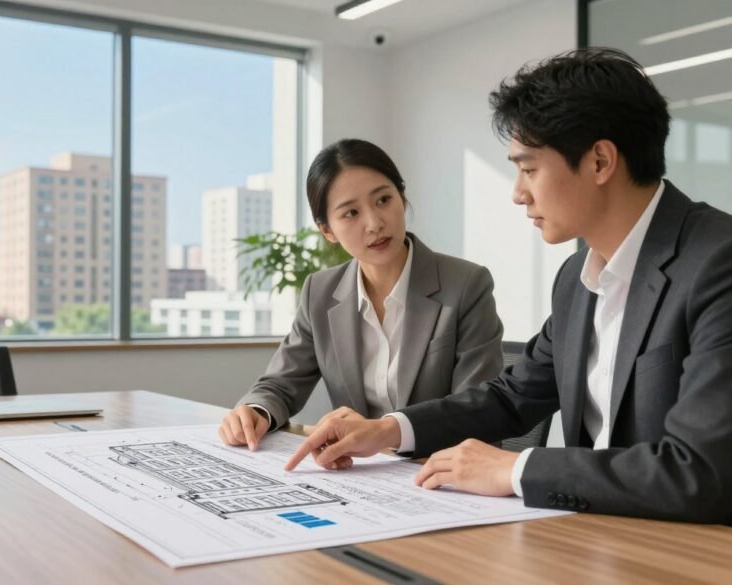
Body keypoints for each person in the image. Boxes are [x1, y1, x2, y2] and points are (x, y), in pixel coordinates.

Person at [285, 48, 732, 524]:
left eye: (529, 168)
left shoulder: (716, 263)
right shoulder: (577, 279)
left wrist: (517, 469)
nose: (518, 193)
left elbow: (700, 473)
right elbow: (510, 397)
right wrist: (389, 429)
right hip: (596, 535)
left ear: (600, 161)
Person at [219, 139, 504, 451]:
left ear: (402, 198)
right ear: (327, 231)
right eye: (351, 213)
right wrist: (256, 411)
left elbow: (477, 411)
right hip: (360, 475)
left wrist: (388, 434)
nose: (374, 223)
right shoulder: (320, 293)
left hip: (439, 471)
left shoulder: (465, 285)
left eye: (383, 200)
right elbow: (279, 384)